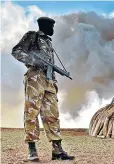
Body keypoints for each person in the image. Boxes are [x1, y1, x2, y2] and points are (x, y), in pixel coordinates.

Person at [11, 17, 74, 161]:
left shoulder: (48, 42)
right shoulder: (32, 36)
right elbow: (16, 51)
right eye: (52, 26)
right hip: (35, 78)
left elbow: (49, 63)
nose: (53, 29)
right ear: (45, 26)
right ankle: (32, 150)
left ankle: (57, 151)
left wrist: (53, 78)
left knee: (52, 114)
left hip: (49, 80)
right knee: (32, 111)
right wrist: (35, 61)